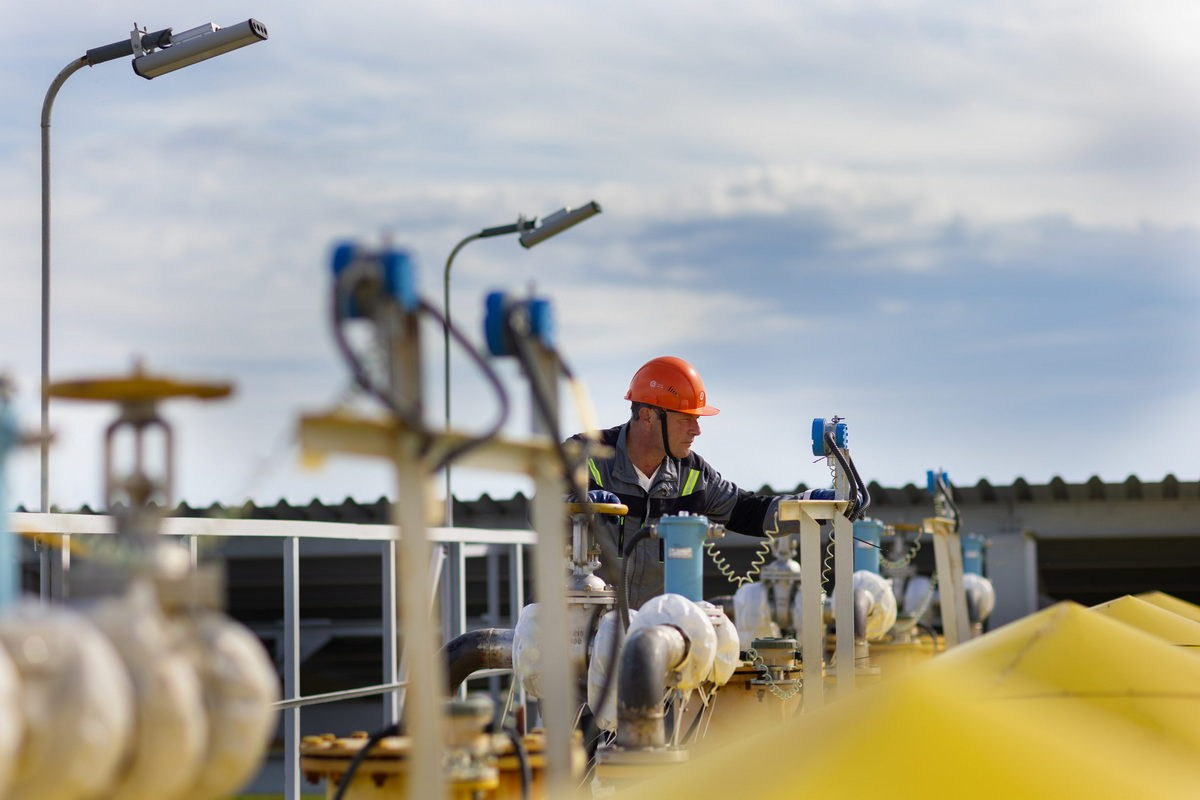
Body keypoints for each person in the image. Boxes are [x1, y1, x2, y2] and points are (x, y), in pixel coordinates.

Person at [568, 356, 831, 609]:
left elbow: (748, 510)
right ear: (648, 416)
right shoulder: (586, 454)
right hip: (581, 625)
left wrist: (808, 506)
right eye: (686, 419)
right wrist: (576, 505)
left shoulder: (692, 473)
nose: (697, 430)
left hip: (652, 633)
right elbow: (541, 510)